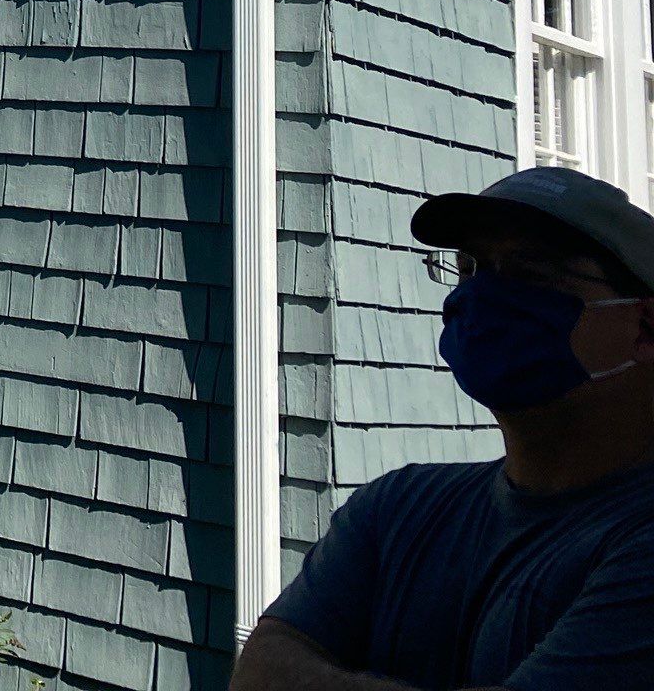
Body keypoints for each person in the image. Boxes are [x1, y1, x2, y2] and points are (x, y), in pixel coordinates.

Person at [233, 166, 654, 689]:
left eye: (530, 274)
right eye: (470, 266)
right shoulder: (396, 506)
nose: (480, 295)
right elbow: (261, 670)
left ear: (644, 327)